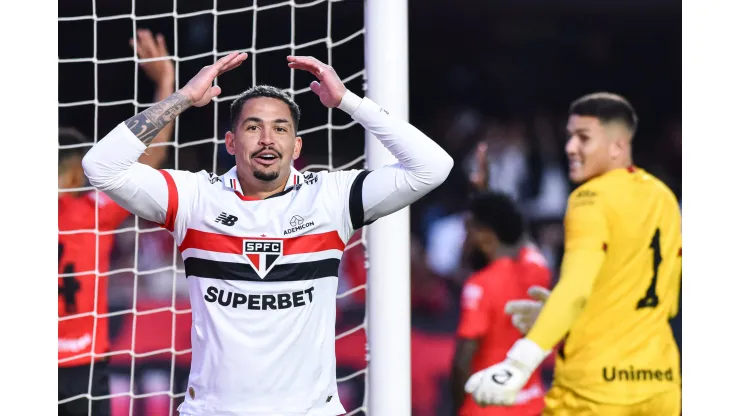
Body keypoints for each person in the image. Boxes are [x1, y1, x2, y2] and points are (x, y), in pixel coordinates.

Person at [81, 52, 454, 415]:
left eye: (280, 128)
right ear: (231, 143)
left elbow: (433, 166)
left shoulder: (329, 198)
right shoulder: (196, 198)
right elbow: (100, 166)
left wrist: (349, 102)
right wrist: (182, 98)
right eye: (253, 126)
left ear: (296, 145)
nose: (267, 139)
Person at [464, 93, 682, 415]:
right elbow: (656, 297)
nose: (570, 148)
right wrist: (566, 320)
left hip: (594, 390)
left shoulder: (589, 198)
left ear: (617, 146)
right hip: (661, 383)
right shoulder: (663, 196)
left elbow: (576, 288)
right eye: (569, 137)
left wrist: (517, 365)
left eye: (583, 138)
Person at [58, 29, 175, 416]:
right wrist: (167, 85)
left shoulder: (91, 209)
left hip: (83, 365)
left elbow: (148, 162)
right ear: (74, 174)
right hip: (82, 366)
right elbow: (150, 158)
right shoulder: (92, 209)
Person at [451, 191, 551, 416]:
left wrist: (459, 408)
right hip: (532, 403)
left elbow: (462, 361)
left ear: (485, 236)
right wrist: (485, 194)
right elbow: (518, 234)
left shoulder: (479, 285)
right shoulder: (538, 270)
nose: (464, 241)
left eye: (468, 231)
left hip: (488, 407)